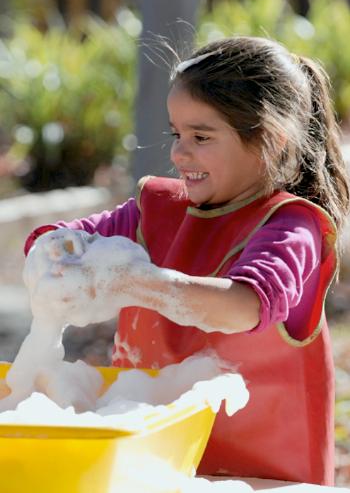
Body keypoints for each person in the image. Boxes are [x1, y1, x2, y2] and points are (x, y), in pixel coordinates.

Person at [24, 36, 350, 486]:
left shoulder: (290, 227)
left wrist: (137, 283)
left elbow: (244, 307)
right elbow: (64, 239)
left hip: (261, 477)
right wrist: (52, 254)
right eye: (177, 134)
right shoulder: (156, 208)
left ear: (271, 141)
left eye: (201, 136)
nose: (180, 153)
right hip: (154, 464)